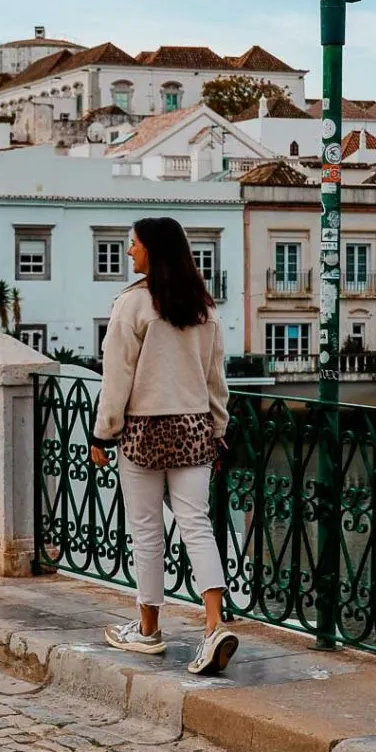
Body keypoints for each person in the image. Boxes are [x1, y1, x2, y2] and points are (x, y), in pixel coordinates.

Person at [90, 216, 238, 675]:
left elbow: (118, 377)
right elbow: (216, 380)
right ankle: (214, 625)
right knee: (197, 524)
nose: (130, 252)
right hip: (193, 427)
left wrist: (103, 431)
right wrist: (219, 431)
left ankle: (149, 629)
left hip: (143, 430)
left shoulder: (131, 306)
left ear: (152, 250)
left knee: (146, 529)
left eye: (134, 245)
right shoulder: (203, 306)